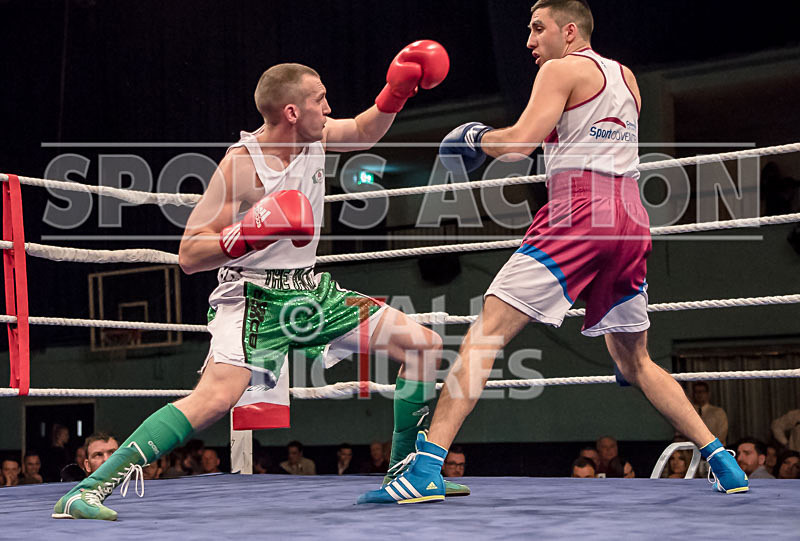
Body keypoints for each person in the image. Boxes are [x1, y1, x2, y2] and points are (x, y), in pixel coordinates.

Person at [53, 40, 461, 520]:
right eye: (319, 100)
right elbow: (189, 254)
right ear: (291, 111)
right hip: (251, 298)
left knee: (423, 345)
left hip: (308, 290)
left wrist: (396, 93)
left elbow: (364, 130)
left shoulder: (317, 136)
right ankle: (86, 491)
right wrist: (249, 232)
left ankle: (406, 476)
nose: (328, 108)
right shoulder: (241, 165)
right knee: (214, 399)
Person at [359, 0, 747, 504]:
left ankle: (426, 467)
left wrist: (478, 136)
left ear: (569, 32)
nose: (528, 42)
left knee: (486, 332)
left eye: (537, 29)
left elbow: (520, 142)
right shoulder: (626, 77)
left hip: (579, 209)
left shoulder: (562, 68)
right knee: (635, 361)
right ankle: (723, 460)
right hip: (630, 217)